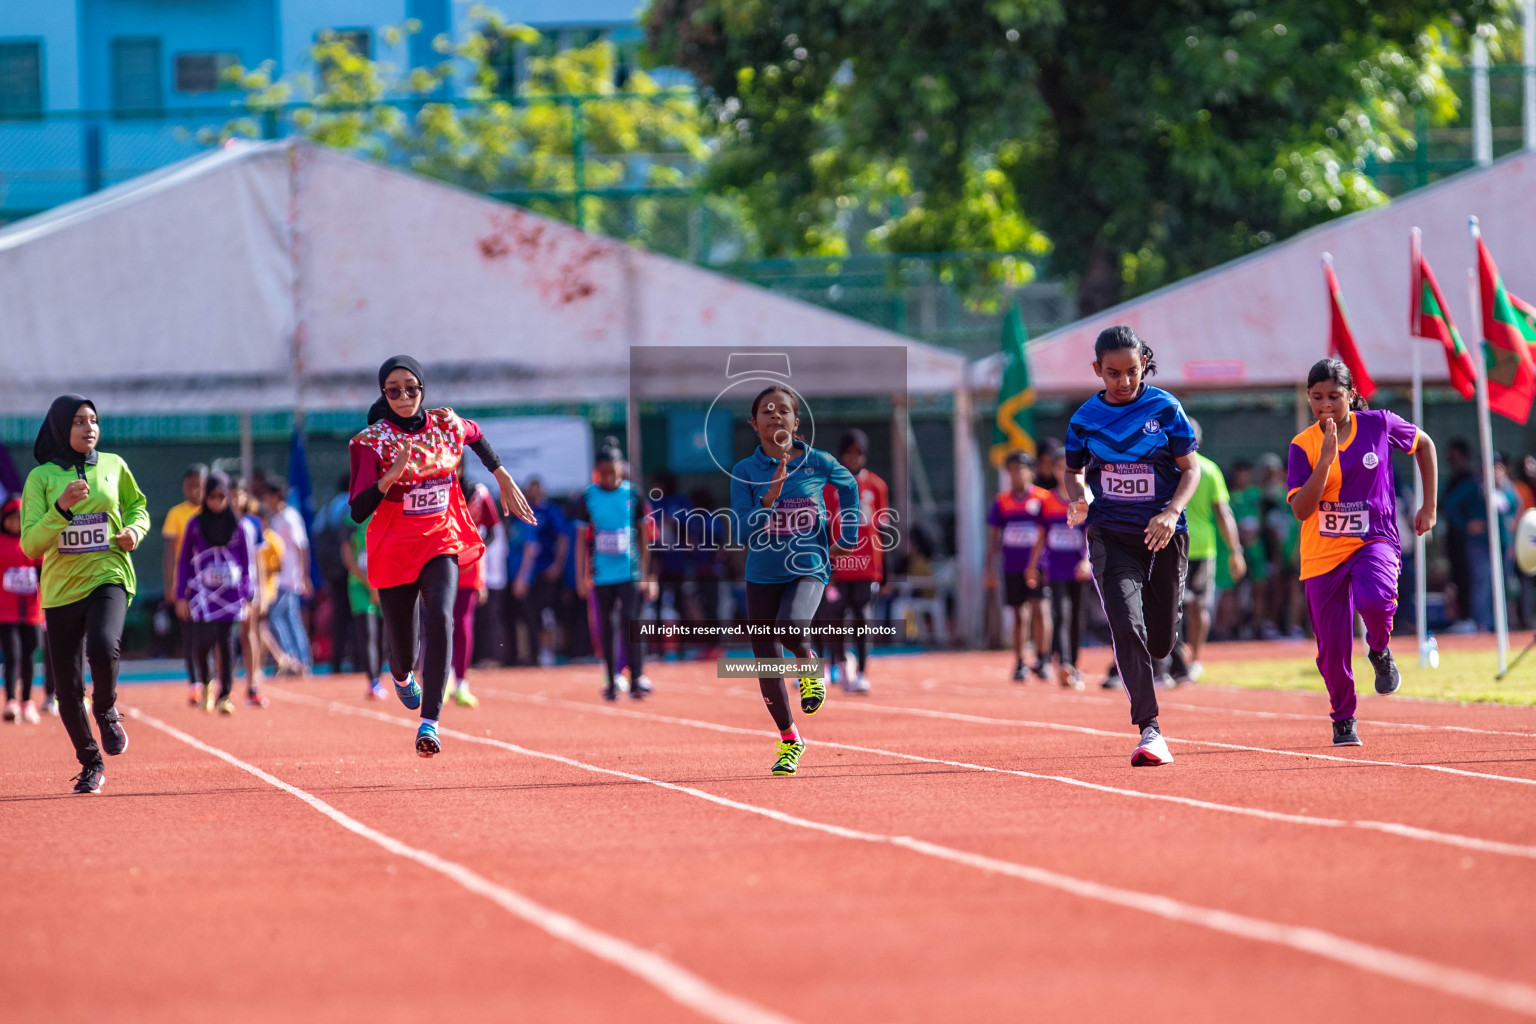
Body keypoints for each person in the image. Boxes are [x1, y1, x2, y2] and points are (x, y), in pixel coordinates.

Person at [348, 356, 535, 757]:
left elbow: (477, 434)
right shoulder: (369, 442)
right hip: (395, 550)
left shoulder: (446, 424)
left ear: (423, 389)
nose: (403, 396)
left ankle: (429, 724)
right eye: (393, 389)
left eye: (411, 387)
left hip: (441, 539)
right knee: (404, 653)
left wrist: (501, 474)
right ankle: (400, 676)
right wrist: (388, 478)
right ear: (383, 393)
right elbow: (358, 509)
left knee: (442, 617)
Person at [1063, 327, 1200, 768]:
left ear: (1144, 363)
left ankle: (1167, 631)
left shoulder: (1165, 408)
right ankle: (1150, 729)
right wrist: (1080, 497)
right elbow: (1073, 470)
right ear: (1097, 371)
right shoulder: (1084, 418)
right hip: (1111, 537)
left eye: (1131, 372)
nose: (1123, 382)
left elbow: (1190, 470)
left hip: (1163, 536)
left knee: (1160, 642)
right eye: (1112, 373)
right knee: (1126, 626)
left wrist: (1172, 512)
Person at [1287, 358, 1437, 747]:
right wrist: (1325, 460)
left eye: (1335, 397)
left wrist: (1429, 506)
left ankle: (1379, 648)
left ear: (1351, 395)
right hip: (1322, 555)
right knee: (1332, 648)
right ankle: (1344, 718)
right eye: (1317, 397)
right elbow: (1302, 510)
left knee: (1375, 598)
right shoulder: (1303, 446)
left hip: (1375, 540)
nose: (1325, 405)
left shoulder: (1380, 424)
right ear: (1308, 397)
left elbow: (1425, 444)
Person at [21, 396, 150, 795]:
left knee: (102, 643)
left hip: (108, 575)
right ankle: (90, 763)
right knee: (67, 689)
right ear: (61, 427)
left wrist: (134, 532)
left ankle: (107, 707)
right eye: (78, 421)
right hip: (61, 591)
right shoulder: (40, 478)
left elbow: (138, 508)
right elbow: (30, 545)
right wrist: (60, 508)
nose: (89, 428)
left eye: (93, 420)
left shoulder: (114, 465)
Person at [730, 386, 859, 776]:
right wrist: (769, 497)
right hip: (762, 575)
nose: (774, 416)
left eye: (783, 410)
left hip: (809, 567)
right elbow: (742, 531)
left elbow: (850, 487)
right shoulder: (744, 471)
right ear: (754, 424)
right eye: (766, 411)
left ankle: (809, 664)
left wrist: (846, 539)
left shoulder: (819, 462)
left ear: (795, 422)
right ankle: (790, 740)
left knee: (790, 627)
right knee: (767, 665)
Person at [574, 439, 655, 701]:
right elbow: (580, 541)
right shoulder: (588, 497)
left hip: (629, 571)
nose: (608, 477)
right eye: (603, 472)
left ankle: (637, 678)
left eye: (613, 471)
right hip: (601, 574)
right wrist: (580, 576)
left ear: (621, 469)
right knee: (607, 627)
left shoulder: (634, 494)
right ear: (596, 471)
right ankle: (610, 680)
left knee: (632, 623)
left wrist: (646, 574)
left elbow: (644, 536)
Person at [1167, 418, 1246, 684]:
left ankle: (1178, 659)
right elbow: (1224, 513)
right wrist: (1235, 551)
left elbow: (1224, 512)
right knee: (1197, 605)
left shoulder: (1169, 467)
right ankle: (1192, 659)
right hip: (1196, 547)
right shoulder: (1209, 469)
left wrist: (1235, 550)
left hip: (1176, 545)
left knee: (1173, 606)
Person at [175, 472, 258, 715]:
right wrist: (181, 594)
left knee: (227, 642)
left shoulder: (239, 526)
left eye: (221, 497)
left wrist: (248, 592)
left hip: (231, 595)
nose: (216, 502)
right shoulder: (195, 524)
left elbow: (246, 561)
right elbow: (183, 561)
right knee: (202, 642)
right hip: (203, 594)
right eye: (211, 497)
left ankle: (225, 695)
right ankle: (206, 682)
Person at [819, 429, 888, 694]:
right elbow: (824, 529)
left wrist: (887, 572)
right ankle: (838, 664)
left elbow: (882, 529)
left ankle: (861, 672)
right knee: (833, 618)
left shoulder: (877, 486)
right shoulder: (829, 486)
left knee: (863, 618)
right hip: (839, 566)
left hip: (868, 566)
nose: (854, 458)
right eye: (849, 453)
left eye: (858, 453)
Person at [987, 450, 1053, 682]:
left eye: (1020, 469)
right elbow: (993, 535)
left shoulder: (1043, 498)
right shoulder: (1002, 501)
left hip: (1039, 565)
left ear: (1031, 471)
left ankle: (1044, 659)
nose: (1016, 474)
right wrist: (989, 569)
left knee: (1041, 609)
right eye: (1011, 470)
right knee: (1018, 614)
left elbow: (1050, 531)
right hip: (1012, 564)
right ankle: (1019, 662)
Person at [1030, 441, 1090, 689]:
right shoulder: (1047, 502)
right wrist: (1032, 565)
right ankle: (1064, 663)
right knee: (1061, 614)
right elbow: (1041, 536)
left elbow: (1091, 534)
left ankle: (1073, 664)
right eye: (1059, 466)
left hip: (1080, 569)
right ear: (1054, 471)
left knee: (1077, 617)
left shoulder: (1085, 500)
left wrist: (1087, 561)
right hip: (1056, 569)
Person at [448, 461, 500, 708]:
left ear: (461, 468)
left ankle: (461, 683)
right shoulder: (437, 491)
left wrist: (475, 550)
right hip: (443, 565)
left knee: (463, 622)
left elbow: (492, 530)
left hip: (470, 568)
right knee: (440, 621)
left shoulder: (480, 493)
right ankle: (443, 678)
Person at [161, 464, 208, 704]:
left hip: (211, 584)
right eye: (191, 486)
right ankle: (195, 683)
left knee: (213, 633)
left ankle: (215, 679)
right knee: (190, 635)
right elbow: (170, 552)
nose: (195, 491)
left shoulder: (215, 513)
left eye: (199, 486)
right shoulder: (176, 514)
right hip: (187, 583)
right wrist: (170, 584)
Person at [258, 476, 312, 674]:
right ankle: (299, 661)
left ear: (276, 496)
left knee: (278, 617)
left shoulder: (290, 517)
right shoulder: (276, 517)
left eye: (267, 496)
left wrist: (304, 576)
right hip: (278, 578)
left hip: (288, 578)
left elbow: (302, 548)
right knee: (289, 618)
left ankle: (294, 659)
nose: (265, 500)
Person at [1, 496, 46, 722]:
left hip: (31, 611)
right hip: (5, 612)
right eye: (11, 518)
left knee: (30, 654)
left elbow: (42, 572)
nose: (15, 523)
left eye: (20, 519)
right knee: (12, 655)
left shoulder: (33, 542)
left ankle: (27, 701)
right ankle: (10, 701)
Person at [1442, 439, 1491, 632]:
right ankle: (1476, 621)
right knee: (1474, 581)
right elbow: (1449, 504)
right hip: (1470, 542)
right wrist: (1466, 525)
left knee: (1491, 582)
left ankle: (1490, 621)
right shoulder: (1473, 483)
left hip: (1495, 544)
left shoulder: (1499, 486)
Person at [231, 479, 270, 704]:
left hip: (250, 586)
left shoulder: (254, 523)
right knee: (224, 635)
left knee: (250, 632)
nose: (235, 500)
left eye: (239, 495)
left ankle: (253, 682)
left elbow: (259, 560)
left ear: (246, 497)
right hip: (225, 587)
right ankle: (223, 683)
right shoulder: (220, 522)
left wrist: (262, 592)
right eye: (231, 495)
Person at [522, 477, 569, 666]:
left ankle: (549, 650)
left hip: (547, 571)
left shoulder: (551, 511)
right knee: (532, 614)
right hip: (530, 574)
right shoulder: (523, 510)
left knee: (548, 613)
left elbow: (563, 538)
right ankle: (536, 651)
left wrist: (557, 564)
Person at [312, 472, 355, 678]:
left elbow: (317, 532)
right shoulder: (352, 504)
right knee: (357, 615)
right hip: (352, 568)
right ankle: (358, 660)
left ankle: (336, 661)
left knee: (339, 615)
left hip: (332, 571)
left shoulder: (328, 507)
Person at [342, 511, 388, 700]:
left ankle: (380, 675)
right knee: (367, 632)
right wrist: (370, 585)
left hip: (386, 582)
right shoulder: (349, 520)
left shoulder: (387, 513)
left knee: (385, 636)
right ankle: (373, 681)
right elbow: (348, 559)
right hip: (359, 585)